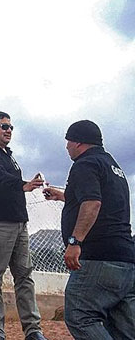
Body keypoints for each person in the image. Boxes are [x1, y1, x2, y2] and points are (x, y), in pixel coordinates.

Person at [43, 120, 135, 339]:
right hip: (125, 260)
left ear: (78, 142)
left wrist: (75, 242)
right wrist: (64, 196)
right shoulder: (112, 166)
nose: (66, 147)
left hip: (98, 257)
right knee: (123, 327)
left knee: (79, 315)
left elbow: (93, 203)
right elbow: (103, 200)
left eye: (68, 141)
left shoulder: (85, 164)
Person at [0, 111, 47, 340]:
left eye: (11, 127)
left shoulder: (9, 154)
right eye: (4, 126)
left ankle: (33, 330)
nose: (9, 131)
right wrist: (24, 185)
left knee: (24, 276)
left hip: (18, 223)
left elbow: (8, 179)